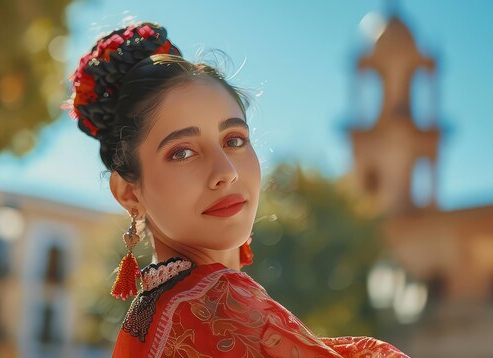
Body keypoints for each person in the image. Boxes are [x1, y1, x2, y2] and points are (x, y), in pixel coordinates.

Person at [64, 21, 409, 357]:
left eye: (234, 140)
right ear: (129, 192)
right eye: (182, 152)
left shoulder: (153, 316)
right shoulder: (221, 312)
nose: (225, 172)